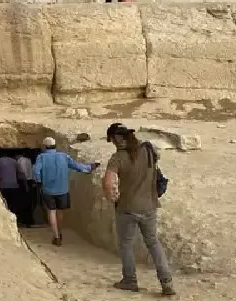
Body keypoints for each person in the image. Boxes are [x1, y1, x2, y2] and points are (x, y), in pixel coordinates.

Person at [103, 124, 175, 296]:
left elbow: (108, 183)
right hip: (149, 206)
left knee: (126, 245)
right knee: (153, 243)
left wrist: (112, 198)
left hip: (127, 208)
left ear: (116, 138)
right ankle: (166, 282)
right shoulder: (148, 150)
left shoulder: (117, 158)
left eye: (112, 140)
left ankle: (130, 280)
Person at [34, 137, 99, 246]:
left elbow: (36, 172)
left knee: (51, 212)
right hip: (63, 190)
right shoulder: (64, 156)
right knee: (60, 212)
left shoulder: (41, 157)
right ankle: (60, 232)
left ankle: (56, 237)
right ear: (55, 146)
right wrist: (89, 167)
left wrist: (39, 182)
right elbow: (76, 166)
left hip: (48, 190)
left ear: (45, 146)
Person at [0, 155, 24, 225]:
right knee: (13, 204)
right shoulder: (14, 161)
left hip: (1, 186)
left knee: (3, 204)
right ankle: (14, 221)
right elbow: (20, 173)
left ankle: (4, 221)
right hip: (13, 186)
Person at [16, 154, 36, 227]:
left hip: (24, 182)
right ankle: (30, 220)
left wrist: (25, 185)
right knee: (29, 202)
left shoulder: (19, 161)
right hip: (30, 181)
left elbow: (23, 174)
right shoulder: (29, 160)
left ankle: (25, 220)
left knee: (23, 202)